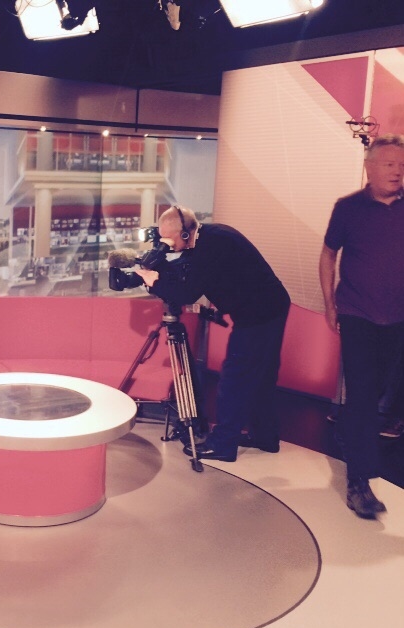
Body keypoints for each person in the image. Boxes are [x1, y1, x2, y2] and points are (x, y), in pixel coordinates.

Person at [137, 206, 291, 462]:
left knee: (234, 378)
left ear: (184, 234)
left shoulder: (212, 245)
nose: (166, 245)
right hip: (269, 307)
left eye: (168, 239)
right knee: (261, 377)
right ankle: (265, 436)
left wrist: (154, 281)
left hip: (259, 314)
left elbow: (186, 293)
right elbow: (190, 270)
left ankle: (223, 445)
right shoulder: (209, 238)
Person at [319, 133, 404, 519]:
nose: (397, 171)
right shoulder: (348, 208)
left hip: (397, 317)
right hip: (357, 313)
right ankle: (359, 482)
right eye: (389, 164)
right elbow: (328, 254)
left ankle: (350, 434)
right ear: (369, 168)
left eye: (401, 165)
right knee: (364, 396)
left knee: (381, 393)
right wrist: (329, 302)